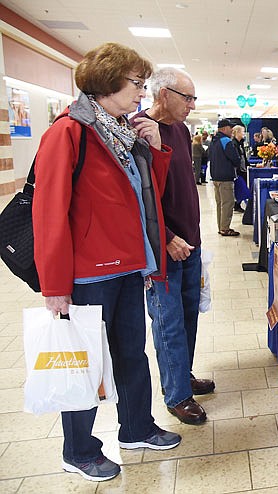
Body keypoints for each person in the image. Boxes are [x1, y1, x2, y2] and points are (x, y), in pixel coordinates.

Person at [32, 42, 181, 482]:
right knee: (85, 363)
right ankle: (78, 449)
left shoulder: (121, 130)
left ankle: (136, 427)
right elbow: (49, 211)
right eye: (137, 83)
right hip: (87, 272)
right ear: (110, 80)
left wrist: (155, 150)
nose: (142, 92)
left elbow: (144, 197)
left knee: (131, 354)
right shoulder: (69, 131)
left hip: (127, 264)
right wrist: (54, 285)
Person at [133, 67, 215, 427]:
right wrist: (166, 237)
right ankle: (176, 395)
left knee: (188, 315)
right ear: (162, 94)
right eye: (187, 97)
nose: (192, 105)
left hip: (191, 243)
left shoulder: (181, 130)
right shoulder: (138, 129)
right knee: (168, 323)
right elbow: (138, 197)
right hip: (163, 248)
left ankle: (183, 375)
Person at [209, 118, 241, 236]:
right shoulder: (226, 140)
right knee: (227, 203)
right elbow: (234, 158)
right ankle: (225, 228)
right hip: (225, 177)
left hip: (216, 176)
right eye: (230, 127)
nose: (232, 129)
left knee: (220, 203)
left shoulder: (214, 140)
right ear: (224, 128)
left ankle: (221, 226)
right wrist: (238, 164)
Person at [231, 124, 251, 211]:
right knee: (240, 186)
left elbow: (243, 156)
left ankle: (237, 203)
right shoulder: (234, 143)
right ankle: (237, 204)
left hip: (243, 168)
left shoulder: (240, 143)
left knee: (242, 186)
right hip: (238, 169)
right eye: (242, 132)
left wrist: (247, 164)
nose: (243, 133)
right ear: (237, 132)